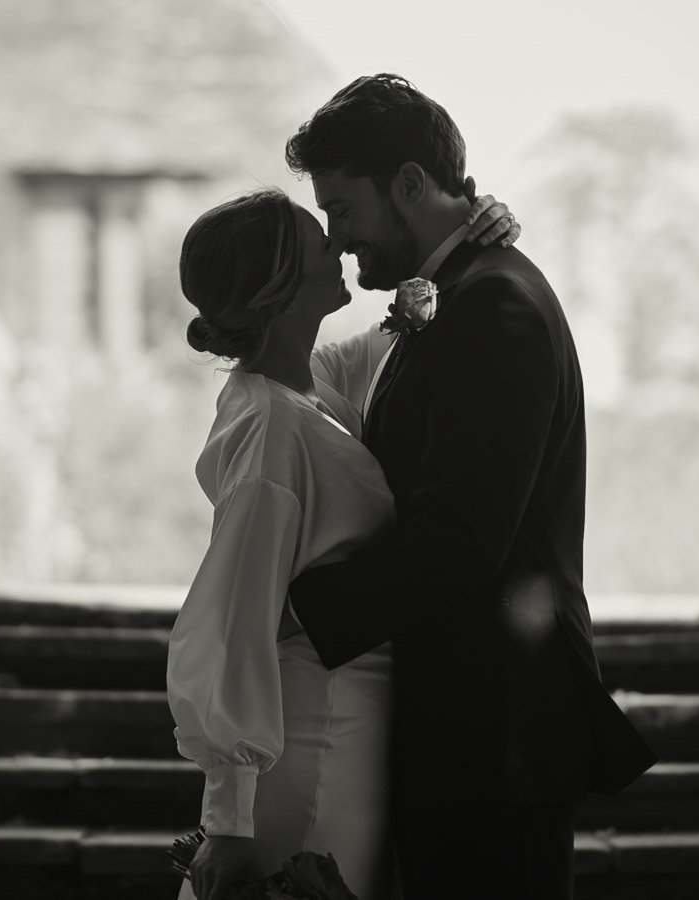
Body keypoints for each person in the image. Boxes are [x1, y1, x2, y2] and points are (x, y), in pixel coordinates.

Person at [281, 74, 657, 900]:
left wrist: (295, 611)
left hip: (497, 735)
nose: (338, 239)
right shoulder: (461, 295)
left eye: (343, 207)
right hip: (462, 727)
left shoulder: (496, 310)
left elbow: (461, 538)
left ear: (410, 185)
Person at [167, 185, 520, 900]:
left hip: (355, 727)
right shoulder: (270, 430)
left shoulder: (307, 389)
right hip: (313, 742)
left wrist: (469, 245)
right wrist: (228, 820)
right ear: (283, 285)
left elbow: (401, 331)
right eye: (318, 239)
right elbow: (230, 621)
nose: (339, 240)